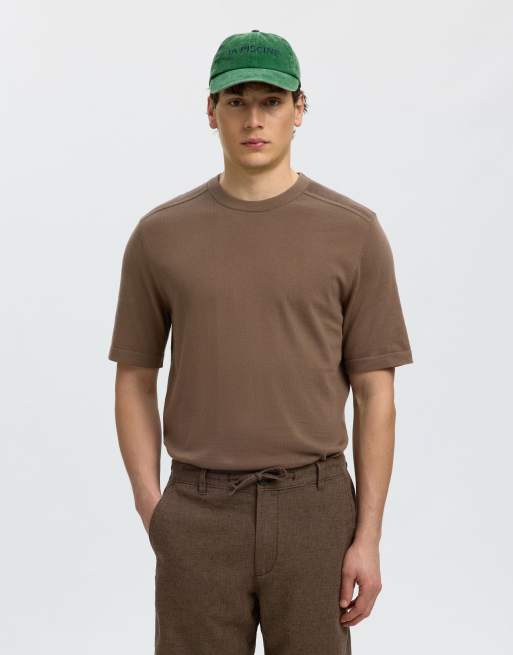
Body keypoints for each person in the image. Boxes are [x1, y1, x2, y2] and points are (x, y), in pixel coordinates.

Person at [108, 29, 413, 655]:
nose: (253, 120)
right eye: (236, 101)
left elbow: (375, 394)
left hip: (314, 509)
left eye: (271, 102)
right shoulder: (160, 235)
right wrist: (152, 506)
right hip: (197, 510)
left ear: (299, 109)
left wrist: (368, 535)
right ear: (211, 110)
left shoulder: (353, 233)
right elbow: (135, 377)